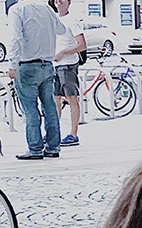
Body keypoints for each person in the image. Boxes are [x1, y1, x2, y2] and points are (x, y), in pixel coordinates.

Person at [6, 0, 67, 160]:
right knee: (50, 106)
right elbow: (61, 30)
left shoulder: (17, 9)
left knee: (30, 109)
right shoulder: (47, 8)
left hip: (26, 65)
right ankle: (53, 146)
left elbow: (16, 38)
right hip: (47, 64)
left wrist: (12, 65)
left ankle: (35, 148)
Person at [51, 0, 84, 147]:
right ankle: (54, 133)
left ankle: (73, 134)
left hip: (68, 64)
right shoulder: (54, 19)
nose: (59, 1)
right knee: (55, 99)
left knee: (72, 98)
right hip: (54, 65)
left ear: (69, 2)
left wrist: (63, 53)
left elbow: (82, 45)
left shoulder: (72, 21)